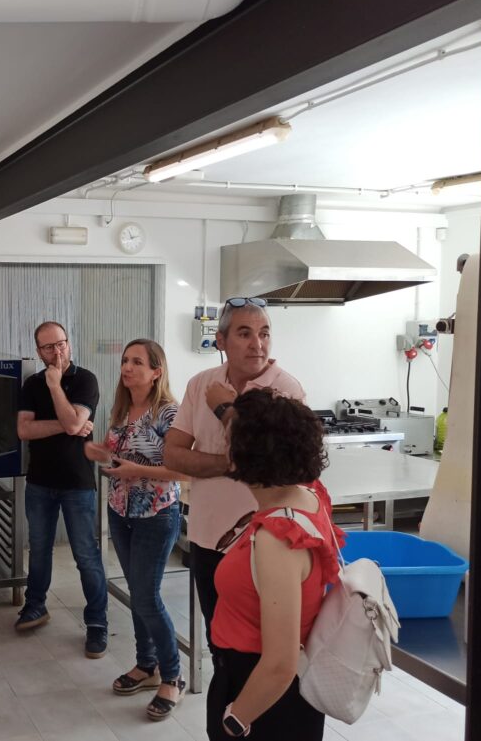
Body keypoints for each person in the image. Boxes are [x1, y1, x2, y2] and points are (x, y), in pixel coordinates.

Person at [163, 298, 304, 651]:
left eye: (264, 333)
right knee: (218, 640)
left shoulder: (285, 390)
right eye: (245, 334)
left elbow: (282, 470)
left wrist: (226, 410)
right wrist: (236, 464)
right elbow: (173, 455)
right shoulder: (201, 384)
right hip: (208, 536)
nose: (258, 344)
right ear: (221, 341)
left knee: (261, 646)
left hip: (265, 542)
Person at [205, 389, 343, 740]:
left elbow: (280, 663)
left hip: (264, 697)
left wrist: (234, 720)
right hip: (262, 685)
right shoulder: (309, 494)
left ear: (249, 453)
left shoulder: (277, 540)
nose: (224, 446)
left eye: (229, 439)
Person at [85, 339, 186, 721]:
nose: (127, 367)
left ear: (156, 371)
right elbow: (117, 454)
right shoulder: (122, 409)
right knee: (137, 594)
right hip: (120, 511)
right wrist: (97, 451)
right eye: (126, 361)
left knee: (146, 597)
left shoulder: (169, 413)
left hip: (156, 515)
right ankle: (147, 665)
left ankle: (172, 676)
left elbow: (182, 470)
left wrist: (135, 470)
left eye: (137, 362)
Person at [15, 321, 109, 658]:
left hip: (77, 483)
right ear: (38, 351)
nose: (57, 352)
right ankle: (35, 605)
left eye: (62, 344)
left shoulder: (85, 380)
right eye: (49, 347)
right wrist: (68, 425)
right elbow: (25, 430)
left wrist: (56, 387)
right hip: (39, 481)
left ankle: (97, 622)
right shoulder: (31, 384)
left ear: (69, 343)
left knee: (85, 554)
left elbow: (73, 423)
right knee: (39, 549)